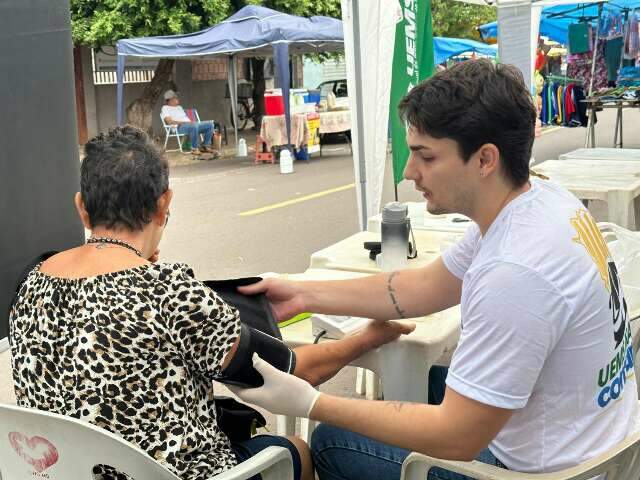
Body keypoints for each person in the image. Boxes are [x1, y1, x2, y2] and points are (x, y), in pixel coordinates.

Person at [230, 59, 640, 479]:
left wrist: (310, 404)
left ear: (484, 159)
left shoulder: (514, 271)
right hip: (585, 432)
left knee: (332, 439)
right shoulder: (538, 202)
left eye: (425, 156)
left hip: (548, 470)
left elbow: (457, 437)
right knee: (422, 381)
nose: (409, 172)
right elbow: (422, 288)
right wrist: (301, 292)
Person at [8, 125, 414, 480]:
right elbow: (294, 373)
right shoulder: (168, 291)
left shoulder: (32, 280)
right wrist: (367, 337)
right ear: (164, 204)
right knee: (298, 451)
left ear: (82, 207)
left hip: (69, 471)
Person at [160, 89, 219, 157]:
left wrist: (190, 122)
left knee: (210, 124)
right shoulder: (165, 108)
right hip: (178, 127)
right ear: (170, 99)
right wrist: (184, 123)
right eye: (176, 97)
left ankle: (205, 146)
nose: (178, 98)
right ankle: (194, 148)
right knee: (193, 126)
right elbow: (169, 122)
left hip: (190, 125)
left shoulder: (179, 107)